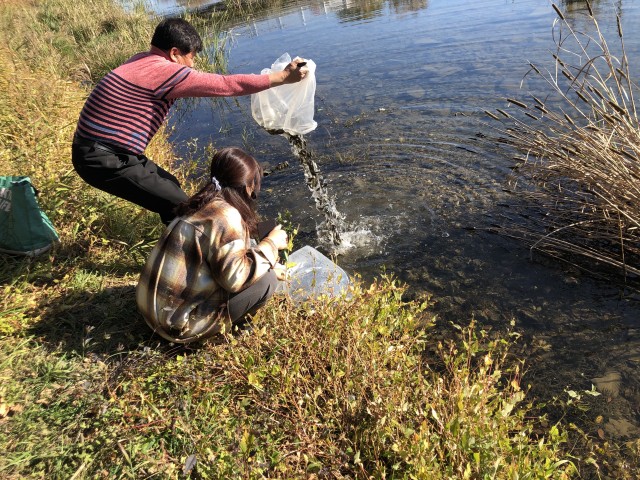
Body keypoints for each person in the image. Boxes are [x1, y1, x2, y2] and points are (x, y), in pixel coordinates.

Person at [72, 17, 307, 224]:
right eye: (191, 56)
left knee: (170, 186)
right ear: (174, 53)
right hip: (103, 159)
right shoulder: (164, 70)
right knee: (185, 208)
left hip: (102, 151)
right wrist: (283, 77)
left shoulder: (140, 60)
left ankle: (179, 242)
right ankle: (201, 258)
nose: (193, 65)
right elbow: (227, 85)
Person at [136, 147, 288, 343]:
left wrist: (267, 260)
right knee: (267, 282)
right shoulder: (227, 215)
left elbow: (221, 258)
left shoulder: (199, 203)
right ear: (248, 188)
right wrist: (271, 244)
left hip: (150, 311)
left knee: (261, 266)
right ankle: (224, 336)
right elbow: (235, 279)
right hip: (176, 327)